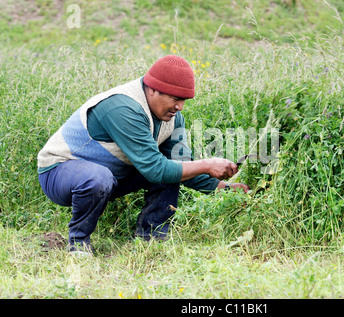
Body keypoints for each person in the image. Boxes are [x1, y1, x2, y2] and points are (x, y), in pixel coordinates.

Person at [37, 55, 249, 255]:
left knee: (172, 168)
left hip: (110, 176)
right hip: (60, 172)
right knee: (102, 176)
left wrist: (224, 188)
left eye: (184, 100)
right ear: (153, 90)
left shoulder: (172, 118)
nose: (180, 107)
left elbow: (181, 165)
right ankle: (79, 244)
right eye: (175, 99)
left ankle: (151, 240)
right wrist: (208, 164)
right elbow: (156, 169)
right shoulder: (123, 107)